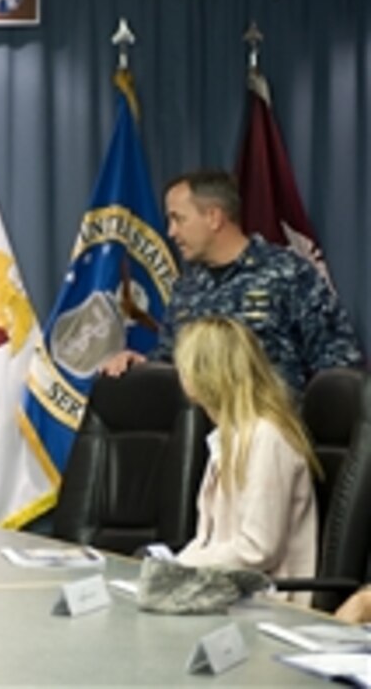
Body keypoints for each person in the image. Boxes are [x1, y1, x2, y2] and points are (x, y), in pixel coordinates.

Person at [103, 169, 362, 392]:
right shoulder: (187, 287)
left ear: (214, 217)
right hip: (197, 440)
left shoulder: (288, 273)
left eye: (178, 219)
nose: (171, 232)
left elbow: (339, 366)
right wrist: (140, 364)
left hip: (270, 438)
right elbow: (172, 361)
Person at [173, 316, 320, 602]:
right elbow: (209, 541)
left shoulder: (267, 437)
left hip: (268, 605)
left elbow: (258, 549)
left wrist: (182, 568)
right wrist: (170, 567)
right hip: (228, 593)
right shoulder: (229, 436)